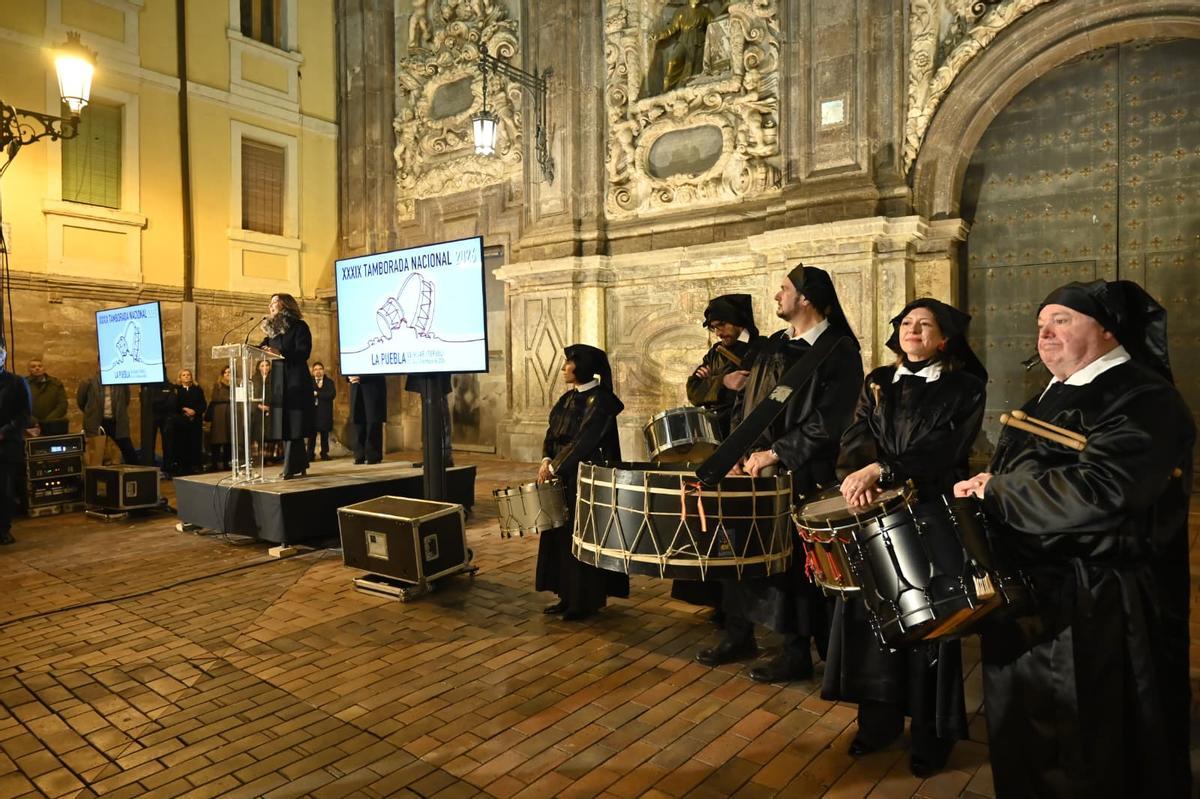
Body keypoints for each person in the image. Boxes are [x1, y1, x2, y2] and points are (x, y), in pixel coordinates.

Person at [953, 280, 1194, 798]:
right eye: (1041, 325)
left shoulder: (1144, 395)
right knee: (1027, 737)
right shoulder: (1051, 391)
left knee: (1085, 748)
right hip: (1033, 592)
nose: (1045, 334)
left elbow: (1105, 490)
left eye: (1061, 320)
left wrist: (998, 491)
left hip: (1094, 602)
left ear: (1108, 329)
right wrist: (987, 485)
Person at [823, 298, 987, 777]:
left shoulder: (965, 387)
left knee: (932, 621)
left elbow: (946, 447)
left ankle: (932, 736)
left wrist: (886, 469)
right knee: (871, 618)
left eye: (925, 324)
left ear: (944, 338)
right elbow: (855, 435)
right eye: (907, 323)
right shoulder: (878, 381)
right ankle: (878, 723)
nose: (913, 329)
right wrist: (860, 475)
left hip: (932, 511)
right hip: (875, 510)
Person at [695, 265, 862, 683]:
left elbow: (831, 420)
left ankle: (795, 651)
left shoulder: (838, 350)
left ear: (806, 297)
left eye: (784, 289)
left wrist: (778, 453)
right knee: (739, 550)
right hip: (752, 466)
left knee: (790, 563)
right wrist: (734, 451)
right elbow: (745, 405)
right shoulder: (771, 346)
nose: (776, 296)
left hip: (801, 471)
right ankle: (739, 633)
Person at [674, 293, 767, 621]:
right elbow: (693, 390)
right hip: (713, 437)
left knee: (736, 523)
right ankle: (716, 598)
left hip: (741, 438)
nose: (718, 333)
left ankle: (741, 607)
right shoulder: (715, 354)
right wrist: (722, 382)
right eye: (713, 328)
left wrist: (714, 384)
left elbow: (757, 391)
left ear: (740, 320)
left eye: (722, 325)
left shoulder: (761, 350)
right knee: (707, 518)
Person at [536, 344, 631, 620]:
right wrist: (546, 459)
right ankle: (566, 595)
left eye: (569, 363)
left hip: (586, 478)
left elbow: (586, 440)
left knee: (583, 535)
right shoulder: (567, 399)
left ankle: (584, 601)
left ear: (584, 367)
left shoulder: (601, 401)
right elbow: (552, 433)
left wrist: (555, 465)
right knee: (560, 535)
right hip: (562, 475)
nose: (564, 368)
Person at [259, 293, 314, 479]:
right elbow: (261, 349)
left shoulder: (299, 326)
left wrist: (280, 352)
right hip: (279, 382)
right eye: (270, 302)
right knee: (284, 424)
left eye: (274, 301)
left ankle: (290, 466)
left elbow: (303, 352)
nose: (270, 305)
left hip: (295, 380)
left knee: (295, 425)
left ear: (285, 305)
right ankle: (299, 464)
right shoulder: (271, 331)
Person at [0, 342, 31, 545]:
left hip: (6, 444)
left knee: (4, 488)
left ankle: (3, 529)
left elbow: (24, 414)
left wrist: (5, 431)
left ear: (3, 357)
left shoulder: (17, 382)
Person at [77, 370, 139, 467]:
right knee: (96, 454)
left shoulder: (120, 381)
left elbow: (126, 399)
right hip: (97, 421)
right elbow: (81, 401)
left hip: (116, 421)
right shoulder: (88, 381)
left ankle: (138, 474)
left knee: (128, 449)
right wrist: (91, 413)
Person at [166, 369, 206, 476]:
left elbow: (203, 404)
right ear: (180, 377)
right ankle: (182, 467)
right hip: (181, 421)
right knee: (181, 444)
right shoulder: (176, 390)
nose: (186, 377)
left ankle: (195, 466)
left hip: (195, 421)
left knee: (195, 444)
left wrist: (194, 411)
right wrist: (185, 410)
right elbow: (172, 405)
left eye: (188, 375)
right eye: (184, 375)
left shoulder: (197, 390)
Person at [348, 374, 387, 464]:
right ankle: (359, 455)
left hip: (372, 387)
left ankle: (373, 455)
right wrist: (349, 376)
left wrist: (362, 377)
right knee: (357, 421)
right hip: (356, 387)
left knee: (373, 421)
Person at [26, 357, 67, 435]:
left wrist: (48, 420)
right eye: (33, 367)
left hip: (53, 426)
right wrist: (34, 421)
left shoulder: (56, 384)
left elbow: (62, 405)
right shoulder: (23, 385)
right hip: (31, 427)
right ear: (29, 370)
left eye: (40, 366)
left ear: (44, 368)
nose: (37, 368)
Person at [206, 366, 232, 472]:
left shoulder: (237, 384)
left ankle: (227, 463)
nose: (228, 374)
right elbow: (215, 397)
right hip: (219, 415)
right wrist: (229, 398)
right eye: (226, 372)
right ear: (222, 374)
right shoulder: (218, 385)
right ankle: (214, 463)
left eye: (229, 372)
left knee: (229, 441)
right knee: (217, 440)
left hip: (230, 413)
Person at [308, 362, 336, 462]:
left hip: (325, 412)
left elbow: (332, 394)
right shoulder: (309, 382)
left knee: (325, 434)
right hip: (313, 412)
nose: (318, 371)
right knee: (312, 435)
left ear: (323, 370)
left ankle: (324, 453)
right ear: (313, 371)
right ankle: (310, 454)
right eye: (316, 369)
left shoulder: (329, 382)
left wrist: (318, 394)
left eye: (320, 369)